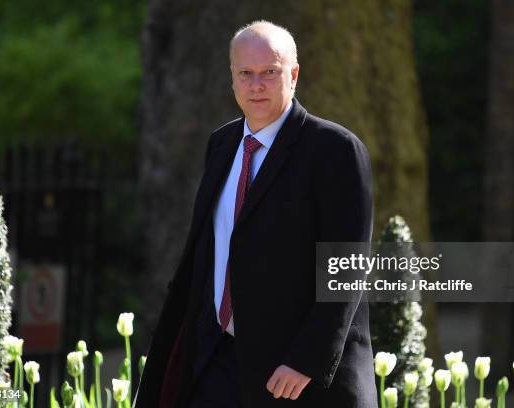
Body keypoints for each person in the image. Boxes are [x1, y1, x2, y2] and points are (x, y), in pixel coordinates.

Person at [134, 20, 376, 408]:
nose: (256, 84)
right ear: (232, 77)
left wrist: (305, 361)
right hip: (217, 360)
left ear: (293, 75)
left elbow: (346, 269)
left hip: (295, 376)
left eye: (270, 72)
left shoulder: (335, 149)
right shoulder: (222, 144)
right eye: (245, 73)